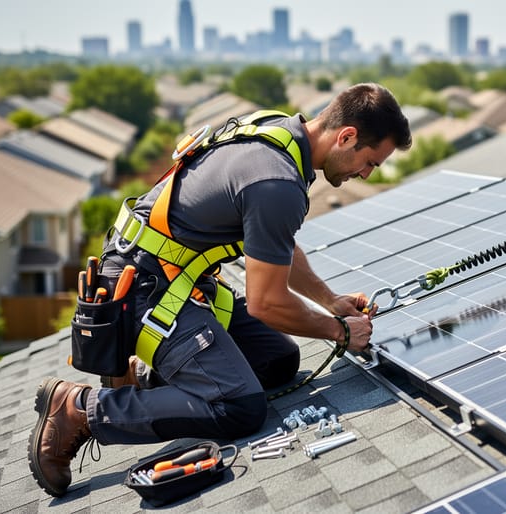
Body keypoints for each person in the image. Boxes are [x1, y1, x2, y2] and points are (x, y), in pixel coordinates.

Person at [28, 82, 412, 497]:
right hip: (142, 294)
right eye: (371, 162)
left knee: (277, 360)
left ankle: (147, 379)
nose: (367, 174)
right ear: (347, 136)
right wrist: (340, 332)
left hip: (167, 279)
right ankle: (80, 410)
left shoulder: (275, 131)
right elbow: (267, 303)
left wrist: (330, 302)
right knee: (240, 407)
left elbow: (272, 242)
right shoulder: (277, 181)